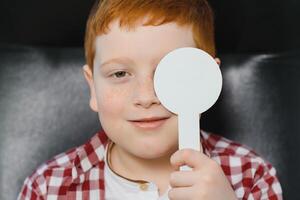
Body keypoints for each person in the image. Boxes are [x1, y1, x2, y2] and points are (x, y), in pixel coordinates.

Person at [18, 0, 283, 199]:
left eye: (169, 73)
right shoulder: (47, 187)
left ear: (208, 79)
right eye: (120, 73)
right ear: (92, 89)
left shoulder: (251, 176)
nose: (146, 97)